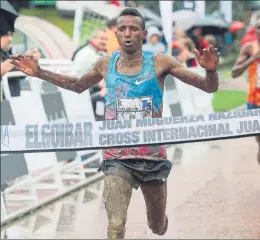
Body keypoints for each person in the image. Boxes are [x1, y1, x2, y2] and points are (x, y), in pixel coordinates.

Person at [9, 8, 220, 239]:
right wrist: (40, 73)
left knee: (157, 226)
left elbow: (209, 87)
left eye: (133, 29)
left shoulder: (160, 63)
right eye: (122, 29)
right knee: (116, 225)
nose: (128, 34)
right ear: (116, 34)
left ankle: (160, 221)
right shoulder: (105, 64)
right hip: (116, 158)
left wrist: (211, 71)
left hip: (152, 158)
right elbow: (78, 85)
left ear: (143, 34)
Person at [232, 18, 260, 185]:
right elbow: (234, 72)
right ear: (255, 31)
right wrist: (253, 59)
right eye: (259, 27)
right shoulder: (249, 48)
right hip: (255, 98)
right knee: (259, 135)